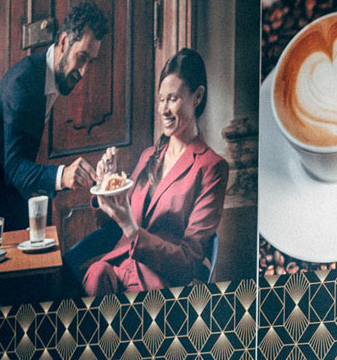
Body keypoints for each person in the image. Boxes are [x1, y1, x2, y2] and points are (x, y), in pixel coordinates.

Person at [75, 49, 228, 294]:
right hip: (118, 270)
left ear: (197, 96)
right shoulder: (149, 156)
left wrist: (132, 230)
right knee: (94, 274)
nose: (163, 109)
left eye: (173, 99)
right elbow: (110, 224)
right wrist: (105, 186)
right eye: (161, 99)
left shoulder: (212, 167)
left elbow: (188, 263)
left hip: (158, 283)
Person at [0, 0, 110, 235]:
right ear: (64, 42)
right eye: (81, 57)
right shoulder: (24, 81)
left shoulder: (48, 77)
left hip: (9, 196)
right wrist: (63, 175)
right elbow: (14, 167)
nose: (83, 71)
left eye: (90, 61)